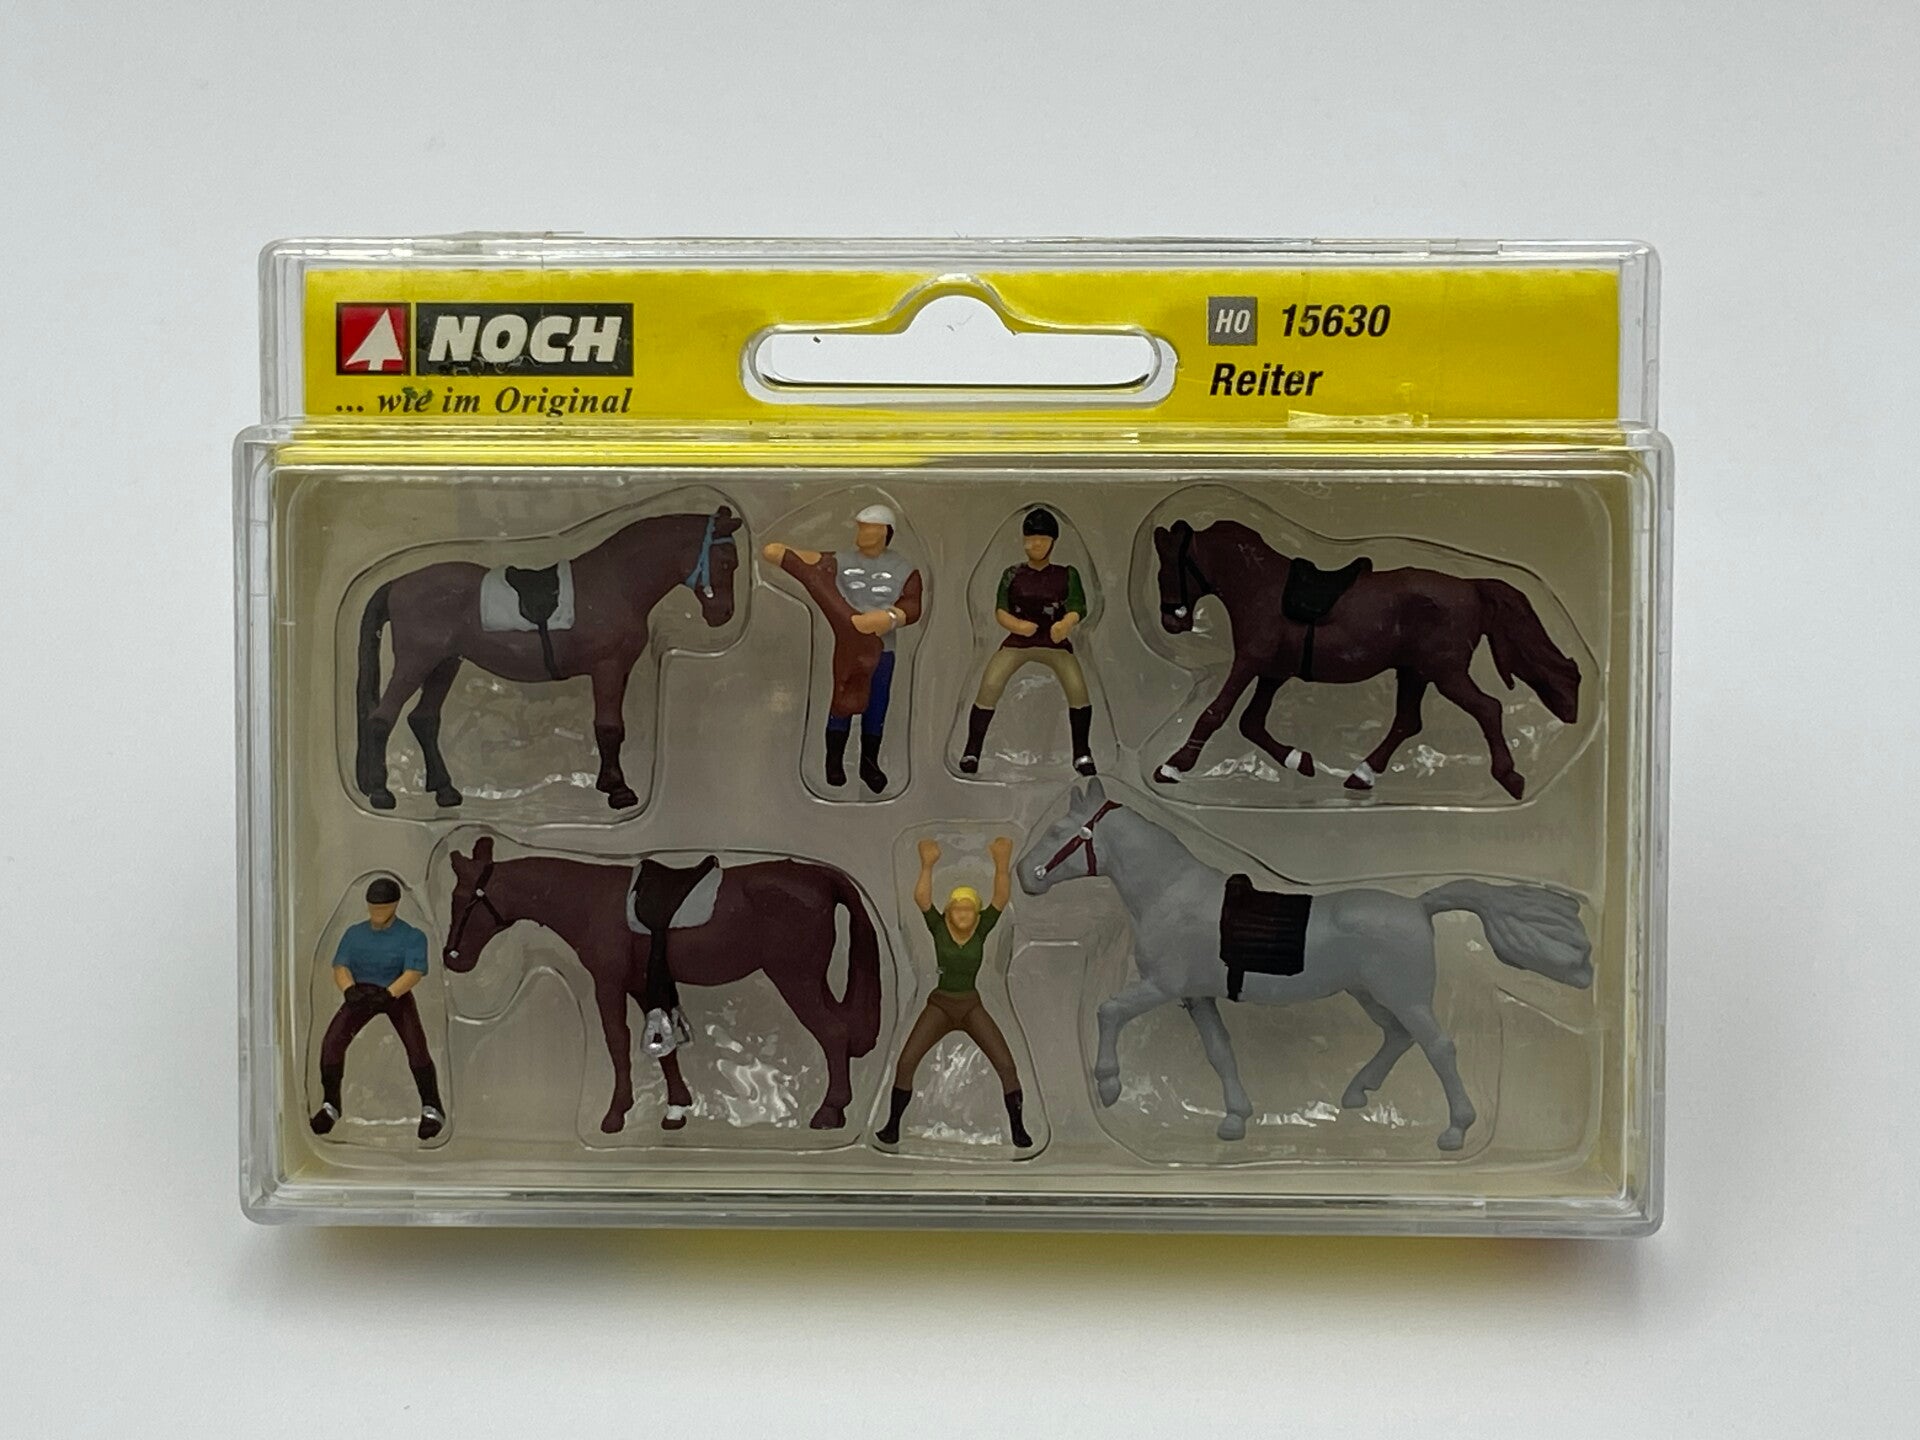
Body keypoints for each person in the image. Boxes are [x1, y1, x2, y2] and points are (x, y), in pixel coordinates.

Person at [876, 836, 1032, 1149]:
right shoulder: (939, 929)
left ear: (977, 914)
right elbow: (922, 899)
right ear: (949, 912)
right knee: (906, 1062)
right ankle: (892, 1125)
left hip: (971, 1006)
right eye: (958, 908)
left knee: (1006, 1064)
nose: (963, 914)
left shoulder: (981, 930)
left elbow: (1000, 898)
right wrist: (927, 864)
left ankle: (1018, 1128)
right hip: (940, 1005)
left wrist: (1002, 862)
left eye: (969, 909)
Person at [762, 503, 923, 792]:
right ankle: (833, 762)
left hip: (883, 650)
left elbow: (912, 606)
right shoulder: (841, 561)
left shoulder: (904, 569)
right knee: (842, 700)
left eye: (868, 528)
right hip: (849, 648)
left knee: (877, 705)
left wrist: (889, 617)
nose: (861, 533)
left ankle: (869, 764)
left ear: (885, 531)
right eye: (861, 527)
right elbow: (812, 564)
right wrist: (783, 555)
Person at [960, 507, 1096, 776]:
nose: (1036, 545)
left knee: (1077, 687)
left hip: (1054, 642)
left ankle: (1082, 752)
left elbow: (1078, 606)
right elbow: (1000, 610)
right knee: (990, 683)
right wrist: (1018, 626)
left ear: (1053, 543)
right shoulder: (1012, 574)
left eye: (1043, 539)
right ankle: (972, 749)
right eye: (1031, 539)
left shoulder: (1066, 574)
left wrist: (1065, 624)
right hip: (1019, 641)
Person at [310, 877, 446, 1141]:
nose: (377, 912)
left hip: (395, 995)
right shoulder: (354, 934)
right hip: (360, 994)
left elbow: (414, 972)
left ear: (394, 905)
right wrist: (349, 989)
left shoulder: (412, 936)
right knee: (332, 1042)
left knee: (416, 1046)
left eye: (382, 908)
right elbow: (340, 966)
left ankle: (432, 1107)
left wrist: (389, 993)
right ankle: (330, 1105)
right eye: (373, 907)